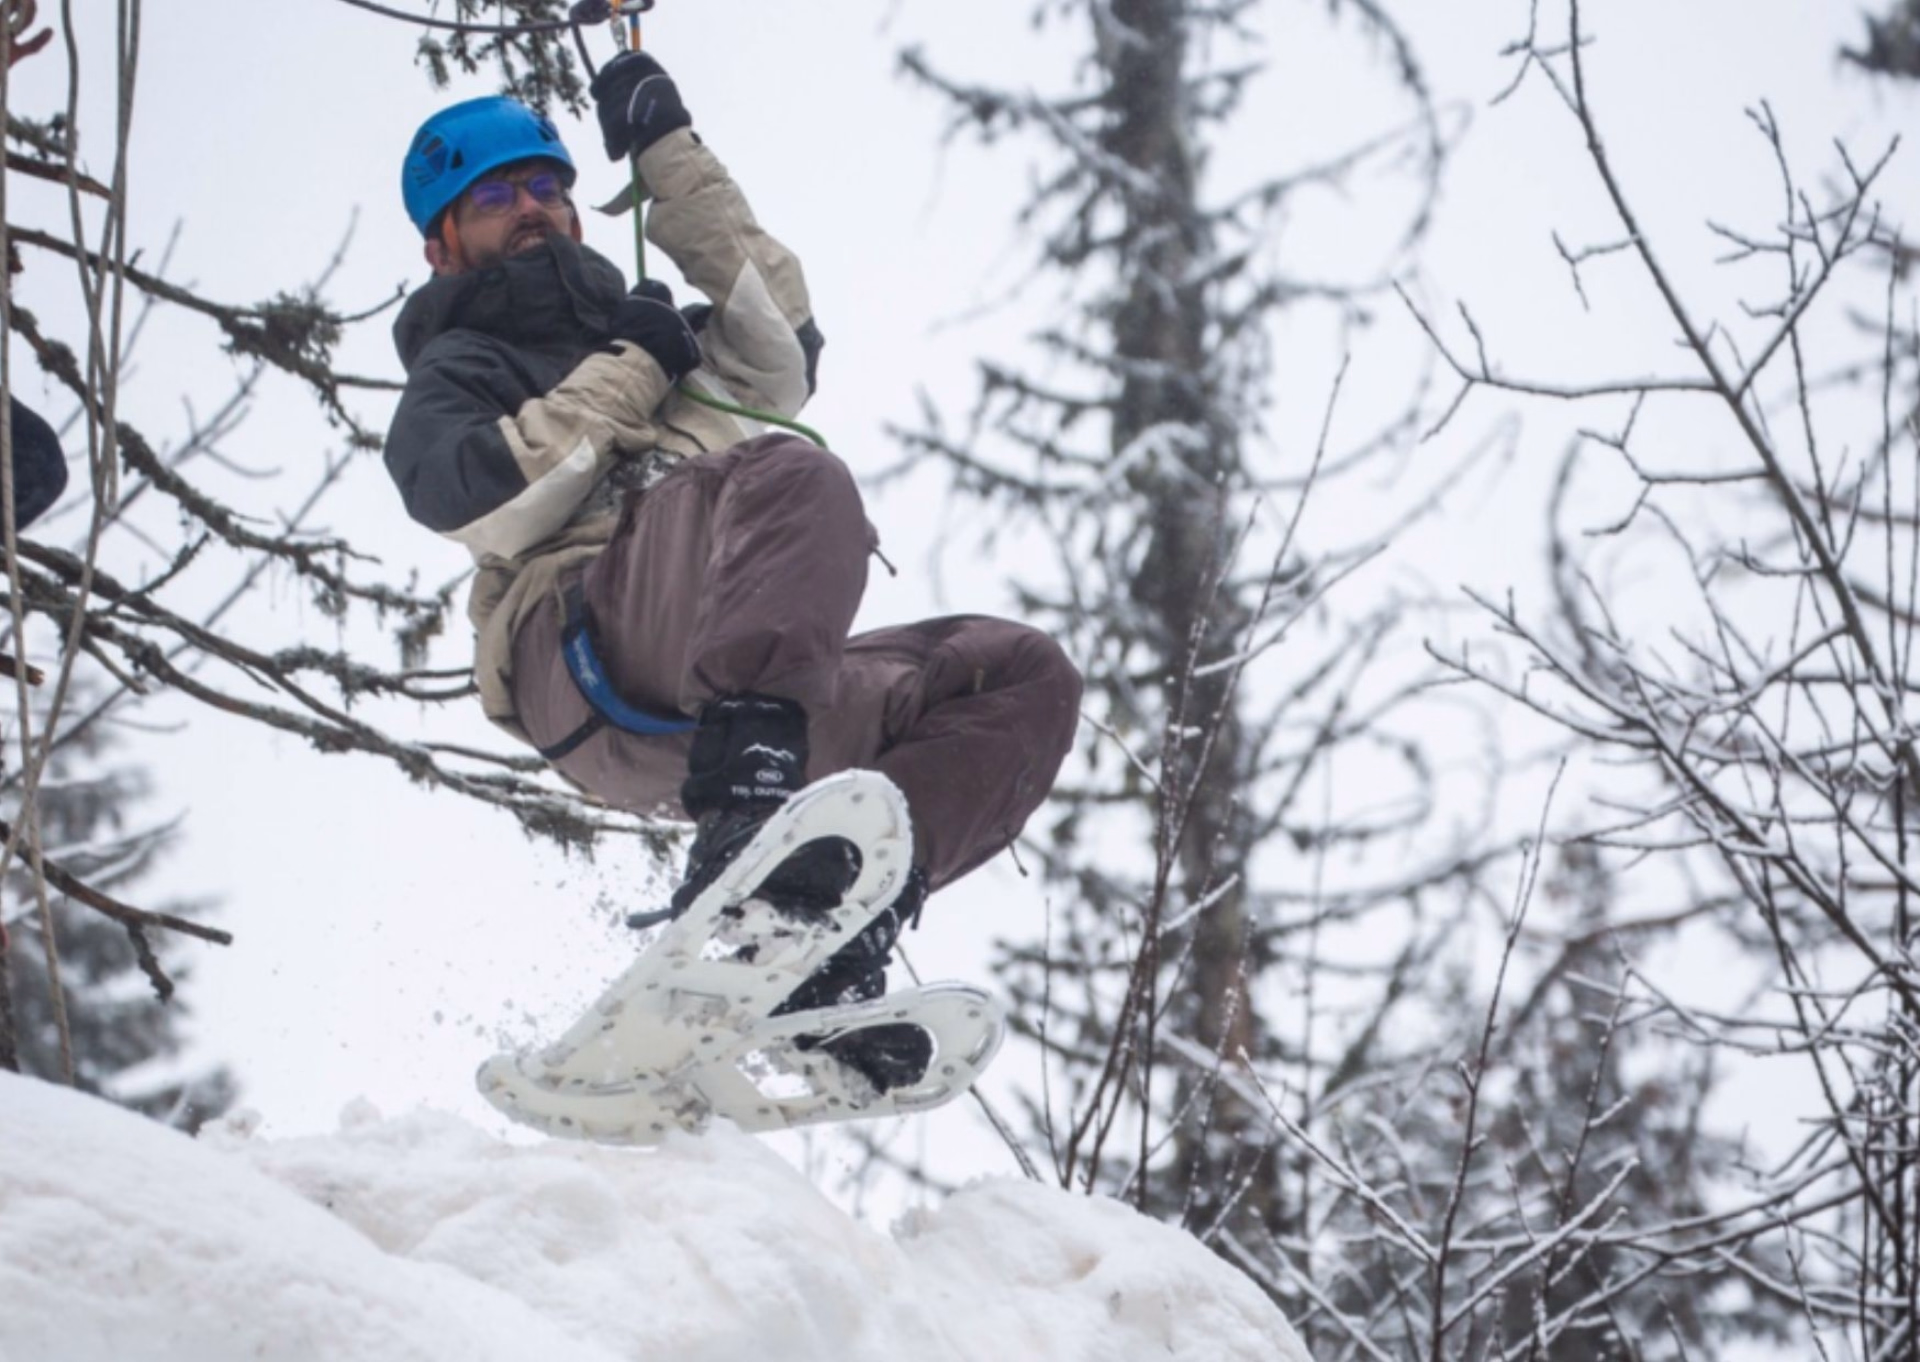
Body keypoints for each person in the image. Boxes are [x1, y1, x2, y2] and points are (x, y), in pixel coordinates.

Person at [383, 52, 1082, 1093]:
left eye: (547, 186)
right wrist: (635, 366)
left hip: (740, 702)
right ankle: (751, 828)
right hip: (586, 656)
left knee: (1020, 673)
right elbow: (486, 497)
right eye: (493, 196)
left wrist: (667, 150)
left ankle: (826, 931)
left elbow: (781, 330)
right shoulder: (459, 369)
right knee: (795, 476)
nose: (530, 208)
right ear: (444, 243)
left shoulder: (662, 338)